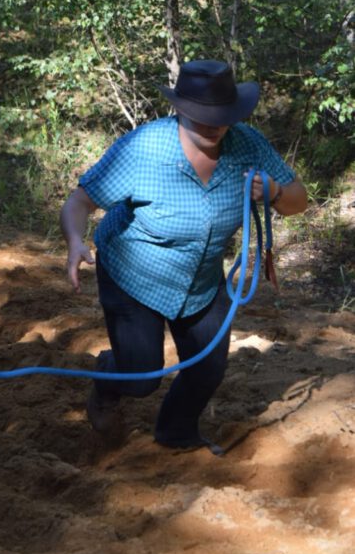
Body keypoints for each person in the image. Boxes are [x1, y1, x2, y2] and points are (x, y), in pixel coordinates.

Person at [60, 59, 308, 452]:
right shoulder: (142, 147)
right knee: (141, 378)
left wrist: (275, 191)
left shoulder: (248, 145)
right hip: (133, 274)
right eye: (202, 116)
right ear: (181, 110)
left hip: (202, 279)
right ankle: (109, 377)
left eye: (222, 116)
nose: (214, 125)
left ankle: (177, 433)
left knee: (208, 366)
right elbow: (80, 201)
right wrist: (75, 240)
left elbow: (299, 201)